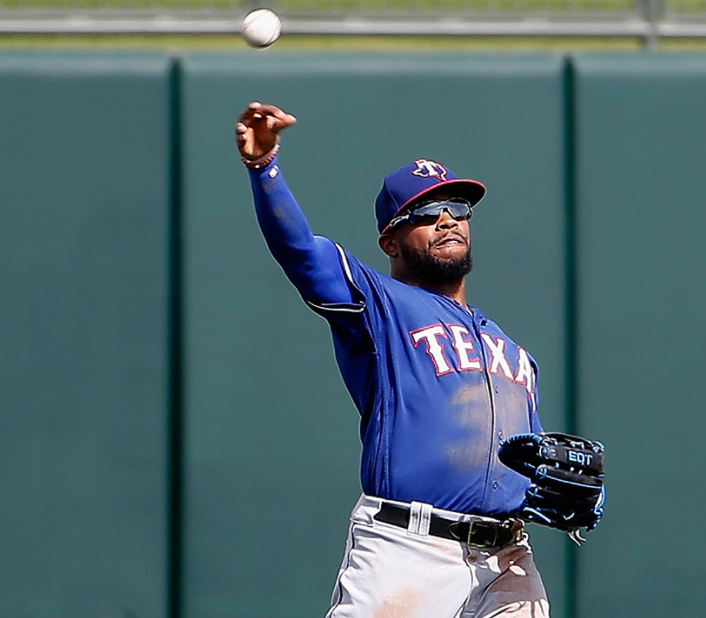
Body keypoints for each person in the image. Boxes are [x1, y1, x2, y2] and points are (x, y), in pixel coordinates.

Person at [236, 101, 550, 618]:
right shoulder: (380, 305)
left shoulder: (513, 352)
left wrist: (552, 491)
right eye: (426, 213)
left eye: (458, 209)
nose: (447, 219)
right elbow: (301, 253)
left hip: (509, 560)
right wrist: (264, 167)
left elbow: (529, 460)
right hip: (409, 549)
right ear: (391, 240)